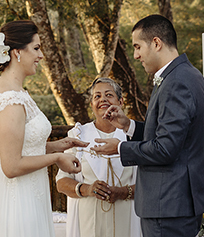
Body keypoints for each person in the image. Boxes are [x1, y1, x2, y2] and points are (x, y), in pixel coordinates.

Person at [92, 14, 204, 237]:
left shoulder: (177, 82)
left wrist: (119, 148)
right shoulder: (186, 75)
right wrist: (128, 126)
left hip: (168, 205)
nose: (135, 55)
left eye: (138, 47)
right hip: (174, 204)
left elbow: (166, 148)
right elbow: (169, 135)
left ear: (156, 43)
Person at [0, 20, 87, 237]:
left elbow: (23, 146)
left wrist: (56, 146)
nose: (41, 55)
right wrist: (57, 158)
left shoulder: (16, 92)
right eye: (36, 48)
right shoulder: (11, 100)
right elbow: (12, 166)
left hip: (28, 193)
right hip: (15, 200)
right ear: (16, 52)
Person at [56, 77, 142, 237]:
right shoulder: (78, 135)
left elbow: (150, 182)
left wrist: (123, 192)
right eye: (97, 96)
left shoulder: (133, 135)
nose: (102, 99)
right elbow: (61, 182)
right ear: (91, 105)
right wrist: (88, 189)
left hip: (128, 219)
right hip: (88, 221)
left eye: (109, 95)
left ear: (121, 101)